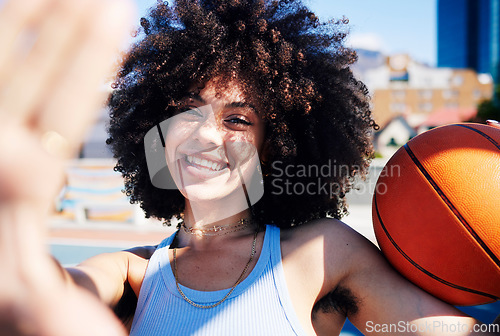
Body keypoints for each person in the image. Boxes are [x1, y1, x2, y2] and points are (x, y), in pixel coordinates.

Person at [0, 0, 498, 335]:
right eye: (187, 110)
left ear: (273, 145)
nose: (207, 134)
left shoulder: (323, 254)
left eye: (237, 118)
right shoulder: (132, 275)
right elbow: (40, 291)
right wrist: (13, 229)